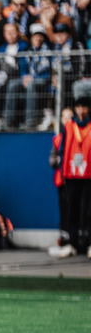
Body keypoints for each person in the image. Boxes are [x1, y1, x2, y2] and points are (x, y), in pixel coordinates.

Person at [49, 97, 91, 258]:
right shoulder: (69, 127)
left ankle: (88, 244)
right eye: (79, 107)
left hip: (88, 175)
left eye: (85, 107)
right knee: (71, 211)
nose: (82, 110)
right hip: (72, 175)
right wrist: (63, 170)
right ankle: (71, 243)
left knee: (88, 211)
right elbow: (62, 150)